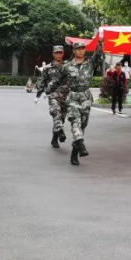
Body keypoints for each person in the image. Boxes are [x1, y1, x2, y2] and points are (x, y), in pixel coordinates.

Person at [45, 38, 104, 166]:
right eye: (77, 49)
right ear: (74, 50)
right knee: (75, 121)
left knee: (82, 125)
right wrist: (48, 89)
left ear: (85, 50)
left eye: (82, 48)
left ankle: (75, 151)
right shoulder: (67, 66)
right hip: (72, 97)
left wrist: (100, 42)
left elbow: (99, 55)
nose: (80, 51)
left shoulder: (90, 63)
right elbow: (57, 79)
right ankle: (81, 145)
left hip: (86, 97)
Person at [36, 45, 69, 148]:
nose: (59, 54)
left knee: (62, 118)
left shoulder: (68, 66)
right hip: (53, 95)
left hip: (66, 96)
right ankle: (61, 132)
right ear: (53, 54)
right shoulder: (47, 68)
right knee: (56, 113)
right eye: (56, 53)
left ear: (63, 53)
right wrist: (39, 92)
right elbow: (41, 81)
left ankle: (54, 138)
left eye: (60, 52)